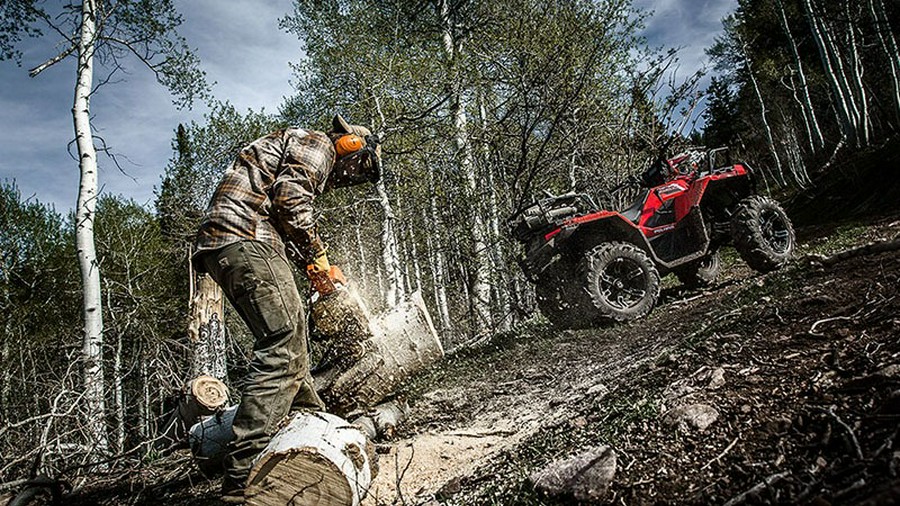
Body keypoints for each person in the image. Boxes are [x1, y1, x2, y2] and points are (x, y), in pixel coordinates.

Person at [191, 114, 382, 503]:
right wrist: (318, 256)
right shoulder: (319, 145)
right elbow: (291, 200)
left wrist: (315, 269)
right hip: (246, 237)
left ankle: (316, 427)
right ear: (351, 146)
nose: (351, 177)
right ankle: (242, 476)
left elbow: (280, 209)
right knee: (281, 343)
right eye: (360, 168)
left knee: (292, 341)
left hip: (233, 242)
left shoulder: (298, 147)